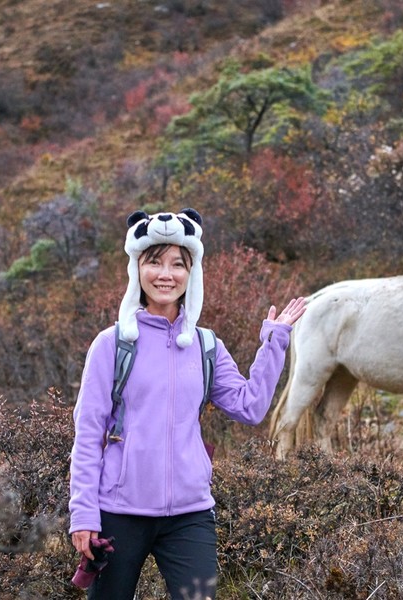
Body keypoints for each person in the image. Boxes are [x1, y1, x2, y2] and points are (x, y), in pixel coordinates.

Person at [68, 208, 306, 600]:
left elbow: (250, 407)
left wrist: (275, 341)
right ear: (137, 268)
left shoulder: (206, 345)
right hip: (119, 511)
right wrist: (83, 514)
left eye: (178, 264)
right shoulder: (112, 344)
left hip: (190, 513)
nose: (166, 274)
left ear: (191, 272)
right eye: (154, 262)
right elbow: (88, 434)